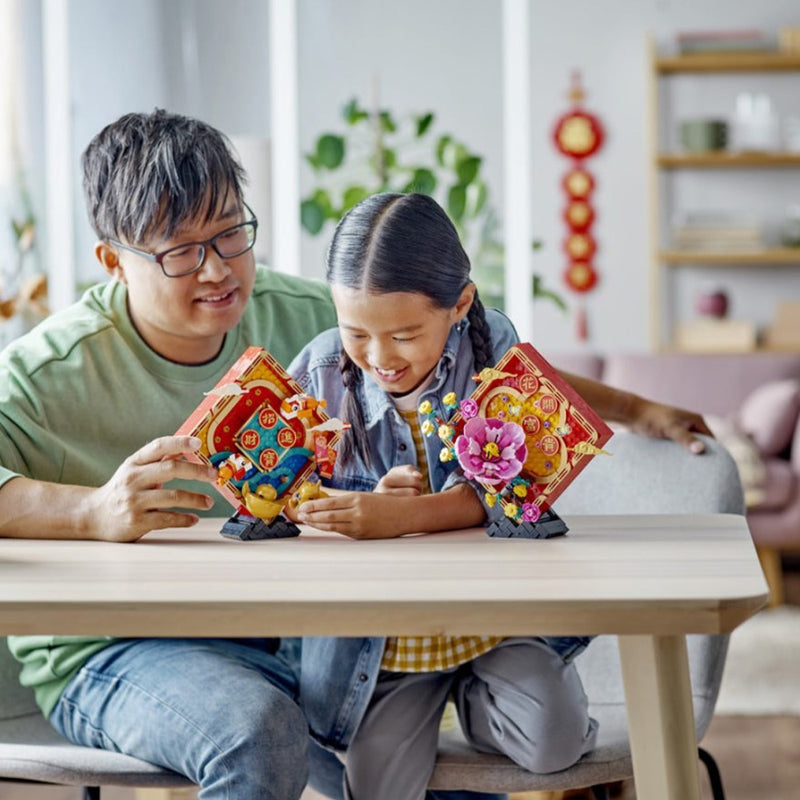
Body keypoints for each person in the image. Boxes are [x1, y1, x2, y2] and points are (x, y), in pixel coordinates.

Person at [0, 110, 505, 800]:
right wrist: (92, 510)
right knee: (257, 730)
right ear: (113, 261)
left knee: (445, 770)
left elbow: (465, 341)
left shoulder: (310, 319)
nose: (217, 270)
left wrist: (636, 410)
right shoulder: (47, 369)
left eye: (231, 232)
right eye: (179, 250)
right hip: (113, 652)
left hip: (292, 635)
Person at [287, 192, 714, 800]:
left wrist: (402, 516)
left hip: (492, 624)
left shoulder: (488, 343)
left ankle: (474, 699)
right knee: (375, 786)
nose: (380, 358)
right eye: (357, 332)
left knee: (554, 744)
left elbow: (510, 489)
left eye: (405, 335)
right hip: (387, 646)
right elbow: (286, 501)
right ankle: (435, 709)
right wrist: (348, 504)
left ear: (459, 304)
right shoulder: (321, 373)